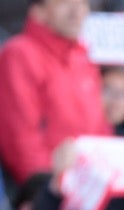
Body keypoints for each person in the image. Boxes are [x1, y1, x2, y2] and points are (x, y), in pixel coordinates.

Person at [0, 0, 108, 186]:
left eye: (82, 3)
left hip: (87, 187)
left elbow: (100, 126)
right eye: (65, 3)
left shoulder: (82, 56)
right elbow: (21, 142)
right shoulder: (20, 54)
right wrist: (46, 190)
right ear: (38, 12)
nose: (77, 11)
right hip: (48, 191)